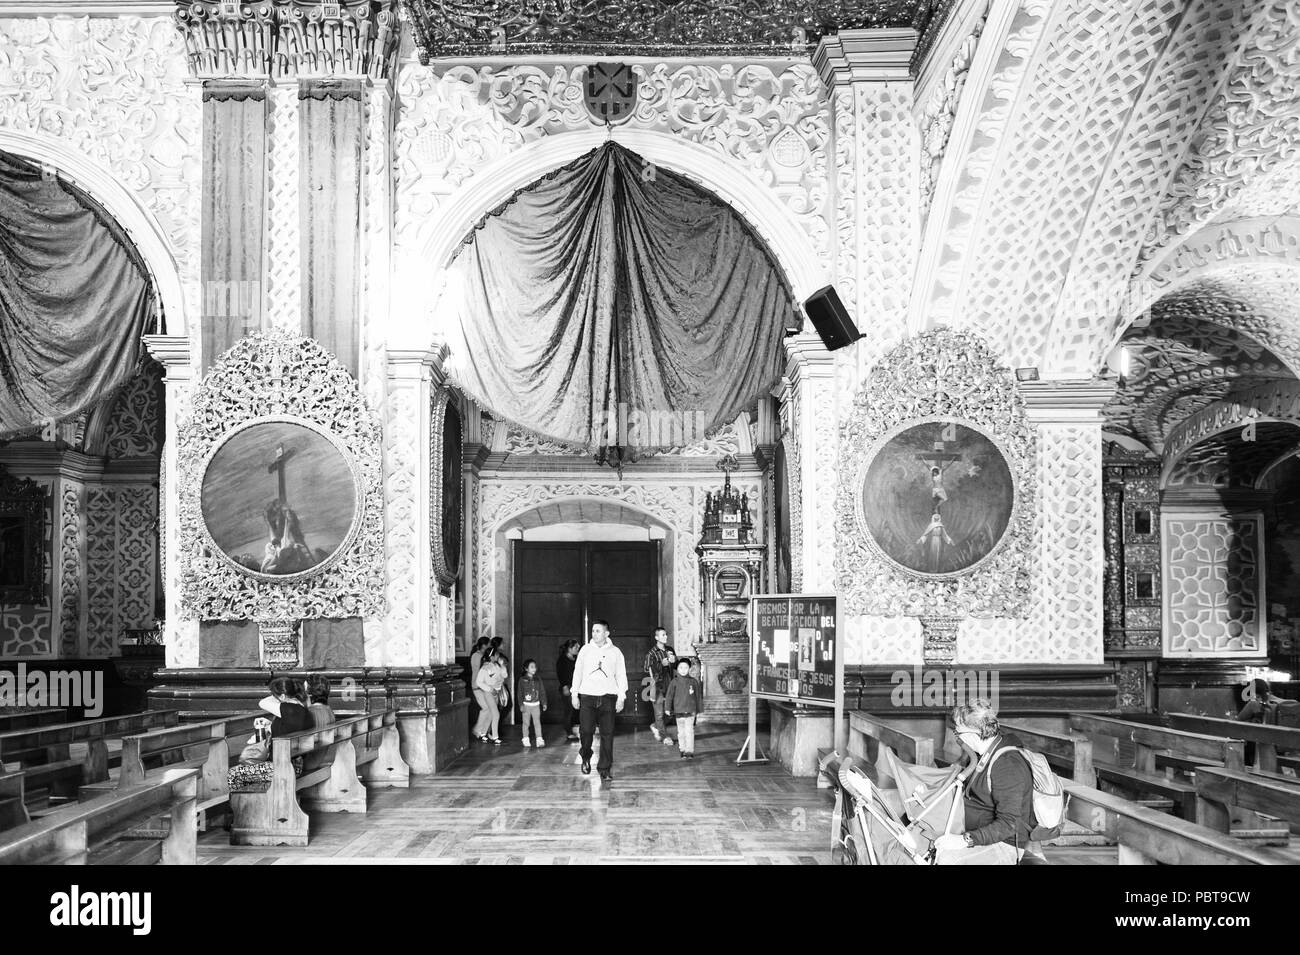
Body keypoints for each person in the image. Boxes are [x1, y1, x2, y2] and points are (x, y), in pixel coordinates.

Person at [931, 698, 1033, 865]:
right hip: (977, 831)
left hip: (1003, 845)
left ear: (974, 733)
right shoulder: (983, 753)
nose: (958, 739)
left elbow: (1009, 824)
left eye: (958, 733)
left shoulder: (1007, 765)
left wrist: (964, 840)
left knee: (947, 859)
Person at [571, 620, 628, 781]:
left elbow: (621, 675)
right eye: (593, 631)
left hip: (608, 697)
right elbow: (578, 672)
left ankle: (604, 768)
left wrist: (621, 697)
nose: (594, 633)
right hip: (588, 696)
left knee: (607, 734)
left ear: (606, 633)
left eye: (598, 631)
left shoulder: (615, 652)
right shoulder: (585, 650)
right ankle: (586, 756)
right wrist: (574, 694)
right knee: (586, 731)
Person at [644, 627, 678, 745]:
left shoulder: (670, 650)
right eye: (663, 635)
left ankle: (655, 726)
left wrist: (674, 662)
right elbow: (647, 671)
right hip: (656, 685)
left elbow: (676, 666)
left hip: (669, 683)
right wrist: (660, 665)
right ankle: (665, 737)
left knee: (671, 712)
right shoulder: (651, 654)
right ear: (656, 637)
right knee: (659, 714)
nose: (666, 637)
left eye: (666, 635)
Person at [663, 657, 701, 759]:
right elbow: (669, 696)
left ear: (689, 669)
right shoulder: (674, 682)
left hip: (690, 711)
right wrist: (667, 708)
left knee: (689, 731)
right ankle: (682, 749)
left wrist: (699, 709)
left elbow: (698, 696)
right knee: (681, 732)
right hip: (678, 711)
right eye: (681, 667)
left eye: (685, 668)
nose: (683, 670)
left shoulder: (693, 682)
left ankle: (689, 751)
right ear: (677, 669)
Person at [303, 674, 336, 772]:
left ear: (310, 693)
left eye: (304, 689)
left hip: (308, 762)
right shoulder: (327, 709)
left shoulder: (312, 712)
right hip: (319, 759)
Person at [474, 649, 508, 745]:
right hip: (488, 693)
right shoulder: (484, 668)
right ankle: (495, 737)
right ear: (491, 656)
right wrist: (489, 689)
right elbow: (478, 682)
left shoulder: (497, 666)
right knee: (496, 714)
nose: (498, 657)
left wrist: (503, 666)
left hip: (496, 693)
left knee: (490, 714)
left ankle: (483, 734)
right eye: (496, 655)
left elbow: (504, 676)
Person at [517, 658, 548, 747]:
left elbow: (542, 691)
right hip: (526, 705)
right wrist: (521, 705)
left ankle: (539, 739)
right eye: (532, 667)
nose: (534, 669)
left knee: (537, 722)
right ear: (526, 669)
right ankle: (525, 738)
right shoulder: (522, 680)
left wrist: (544, 702)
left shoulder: (538, 679)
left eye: (535, 667)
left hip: (536, 705)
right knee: (526, 723)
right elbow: (519, 694)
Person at [556, 639, 581, 742]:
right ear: (569, 649)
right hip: (567, 688)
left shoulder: (576, 659)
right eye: (576, 647)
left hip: (575, 688)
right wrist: (565, 687)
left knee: (576, 710)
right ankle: (569, 732)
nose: (578, 649)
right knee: (569, 711)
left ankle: (575, 730)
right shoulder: (562, 660)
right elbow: (561, 674)